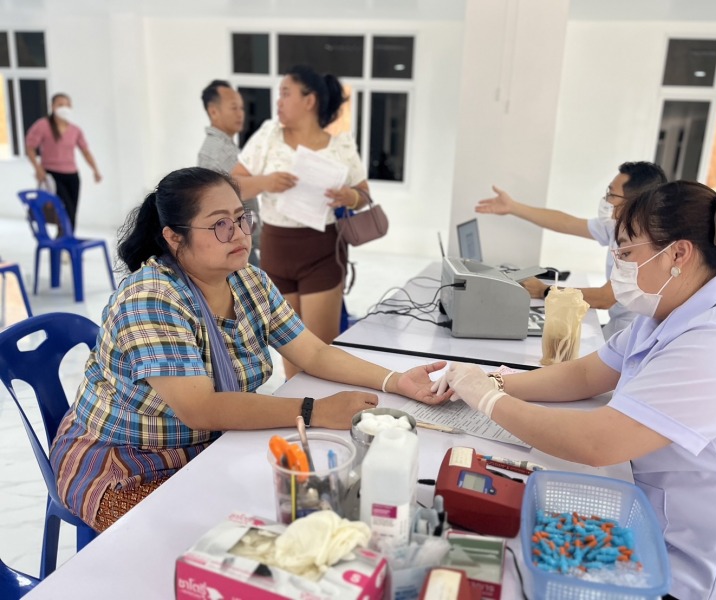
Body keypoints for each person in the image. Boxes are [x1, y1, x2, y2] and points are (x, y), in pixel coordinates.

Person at [441, 181, 716, 599]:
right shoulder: (669, 308)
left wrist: (488, 400)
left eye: (627, 253)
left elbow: (598, 443)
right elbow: (587, 375)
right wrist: (497, 381)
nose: (618, 265)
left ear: (678, 254)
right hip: (663, 519)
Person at [49, 167, 447, 532]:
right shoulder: (152, 298)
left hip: (211, 444)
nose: (240, 234)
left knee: (294, 513)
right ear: (174, 236)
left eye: (241, 218)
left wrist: (395, 381)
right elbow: (201, 408)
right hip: (125, 460)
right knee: (194, 539)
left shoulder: (247, 280)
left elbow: (313, 353)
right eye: (220, 224)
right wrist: (316, 411)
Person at [231, 65, 369, 378]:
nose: (278, 101)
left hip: (322, 250)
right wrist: (266, 181)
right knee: (291, 357)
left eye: (286, 93)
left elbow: (365, 196)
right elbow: (232, 185)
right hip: (276, 250)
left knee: (321, 352)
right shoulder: (268, 135)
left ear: (310, 100)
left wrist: (350, 196)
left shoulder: (341, 145)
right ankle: (301, 420)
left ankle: (326, 415)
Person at [476, 161, 667, 338]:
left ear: (634, 202)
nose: (606, 200)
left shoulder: (644, 245)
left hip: (629, 336)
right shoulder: (616, 226)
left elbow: (605, 298)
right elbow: (566, 223)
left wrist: (546, 291)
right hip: (615, 329)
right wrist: (513, 207)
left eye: (611, 195)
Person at [197, 79, 261, 267]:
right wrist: (268, 182)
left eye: (242, 108)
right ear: (213, 111)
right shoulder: (220, 150)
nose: (241, 113)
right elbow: (237, 191)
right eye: (234, 108)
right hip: (235, 242)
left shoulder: (218, 146)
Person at [25, 92, 102, 233]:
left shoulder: (75, 130)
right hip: (52, 175)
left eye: (67, 105)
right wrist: (38, 169)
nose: (64, 108)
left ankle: (66, 240)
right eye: (60, 105)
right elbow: (30, 148)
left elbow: (85, 151)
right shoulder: (42, 126)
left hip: (72, 176)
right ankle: (64, 240)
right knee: (64, 209)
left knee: (72, 210)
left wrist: (95, 170)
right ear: (52, 106)